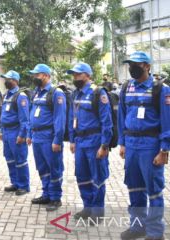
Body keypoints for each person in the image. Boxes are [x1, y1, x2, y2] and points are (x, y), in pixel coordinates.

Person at [118, 51, 170, 240]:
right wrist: (122, 143)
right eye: (130, 63)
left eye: (137, 64)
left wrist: (164, 149)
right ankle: (137, 226)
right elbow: (121, 116)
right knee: (134, 187)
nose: (132, 67)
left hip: (150, 146)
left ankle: (156, 233)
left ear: (147, 66)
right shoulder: (126, 87)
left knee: (153, 190)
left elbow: (167, 120)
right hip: (131, 145)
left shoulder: (160, 89)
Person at [67, 62, 113, 222]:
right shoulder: (75, 94)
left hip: (94, 142)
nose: (75, 77)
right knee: (82, 176)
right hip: (80, 142)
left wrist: (104, 145)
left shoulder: (98, 93)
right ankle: (87, 208)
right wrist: (72, 140)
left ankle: (97, 212)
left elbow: (106, 122)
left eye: (78, 74)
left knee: (97, 177)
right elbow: (72, 118)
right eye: (73, 75)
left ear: (87, 75)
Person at [27, 64, 66, 212]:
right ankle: (46, 194)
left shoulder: (56, 93)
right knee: (42, 168)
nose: (35, 77)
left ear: (46, 76)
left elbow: (59, 119)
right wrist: (30, 134)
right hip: (37, 136)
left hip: (49, 137)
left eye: (37, 75)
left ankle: (56, 198)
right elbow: (32, 114)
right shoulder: (36, 93)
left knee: (54, 168)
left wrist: (57, 140)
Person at [0, 70, 30, 196]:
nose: (6, 81)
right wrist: (1, 130)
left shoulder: (20, 96)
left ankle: (24, 185)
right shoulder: (6, 95)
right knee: (9, 159)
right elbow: (3, 114)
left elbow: (24, 119)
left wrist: (22, 135)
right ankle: (15, 183)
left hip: (15, 131)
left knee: (20, 159)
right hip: (6, 131)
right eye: (5, 79)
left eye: (8, 79)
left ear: (15, 81)